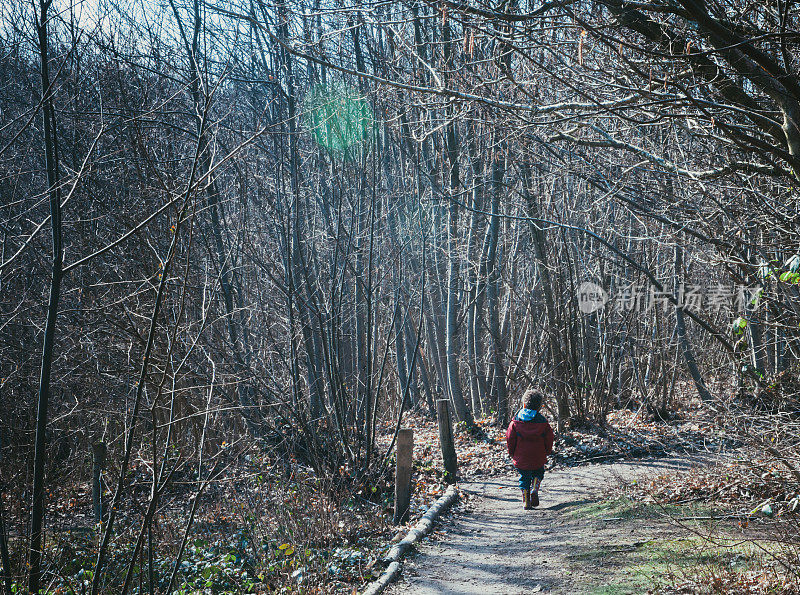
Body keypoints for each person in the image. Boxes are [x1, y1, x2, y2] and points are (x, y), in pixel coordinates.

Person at [506, 389, 555, 509]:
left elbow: (510, 438)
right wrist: (547, 451)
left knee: (524, 477)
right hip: (538, 455)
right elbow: (549, 438)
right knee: (539, 472)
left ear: (523, 404)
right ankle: (534, 488)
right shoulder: (543, 422)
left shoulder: (515, 421)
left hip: (521, 456)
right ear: (539, 407)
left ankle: (526, 501)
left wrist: (512, 453)